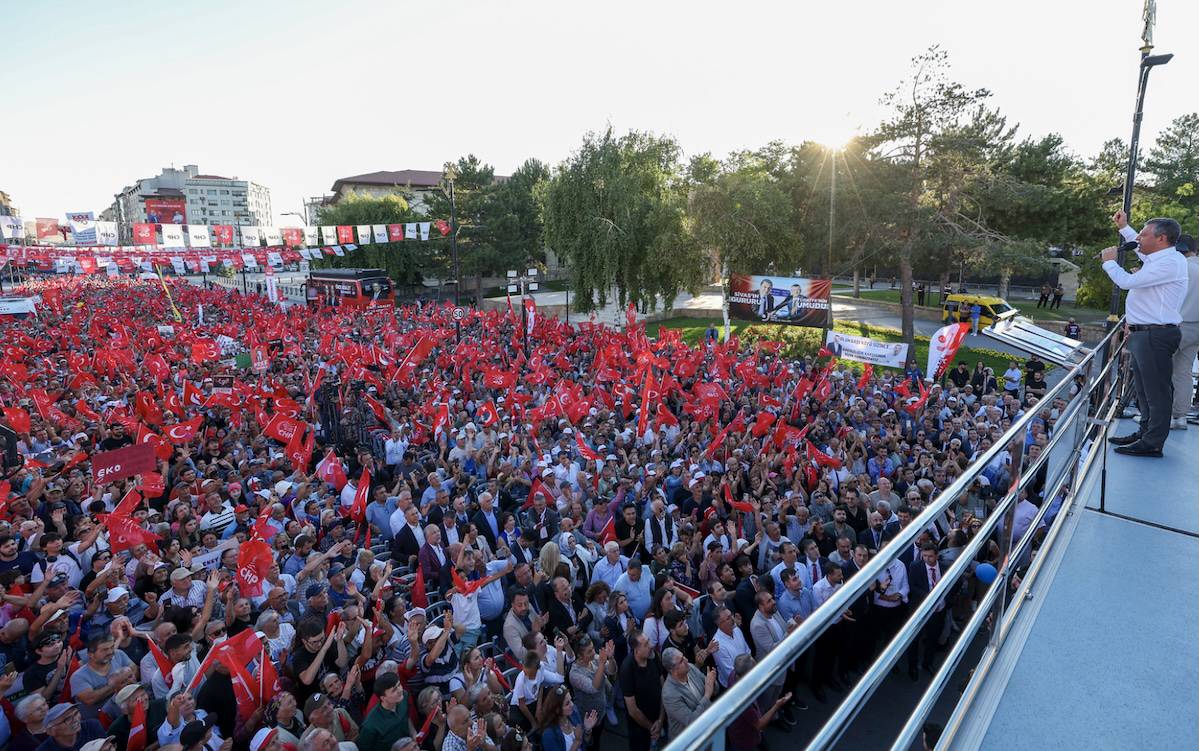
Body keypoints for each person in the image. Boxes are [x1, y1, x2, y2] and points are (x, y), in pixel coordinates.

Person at [1106, 212, 1188, 455]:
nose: (1139, 238)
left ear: (1161, 238)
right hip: (1146, 334)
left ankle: (1152, 442)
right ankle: (1146, 431)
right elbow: (1142, 251)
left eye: (1144, 234)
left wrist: (1109, 261)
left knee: (1157, 392)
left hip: (1156, 335)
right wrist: (1124, 228)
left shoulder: (1170, 262)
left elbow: (1127, 282)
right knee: (1144, 389)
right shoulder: (1159, 259)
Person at [1169, 234, 1199, 429]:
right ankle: (1180, 417)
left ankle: (1163, 416)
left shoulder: (1180, 267)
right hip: (1196, 327)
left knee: (1161, 371)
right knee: (1184, 372)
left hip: (1177, 325)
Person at [618, 632, 664, 751]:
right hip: (639, 728)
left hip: (659, 717)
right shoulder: (627, 669)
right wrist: (652, 728)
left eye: (648, 641)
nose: (650, 646)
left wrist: (660, 719)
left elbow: (663, 687)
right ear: (636, 650)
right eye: (645, 644)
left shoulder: (653, 657)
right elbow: (633, 710)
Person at [660, 647, 715, 740]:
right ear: (672, 670)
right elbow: (692, 721)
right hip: (689, 741)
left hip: (707, 730)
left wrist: (712, 680)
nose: (686, 660)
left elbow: (712, 688)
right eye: (681, 661)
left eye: (683, 656)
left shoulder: (690, 668)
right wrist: (707, 695)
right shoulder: (669, 694)